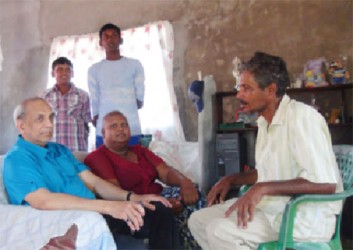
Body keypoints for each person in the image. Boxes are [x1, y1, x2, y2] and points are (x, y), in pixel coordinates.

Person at [187, 52, 343, 250]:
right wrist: (232, 179)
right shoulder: (264, 123)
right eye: (239, 87)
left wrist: (262, 188)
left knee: (220, 232)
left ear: (271, 90)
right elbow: (268, 172)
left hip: (303, 217)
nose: (238, 95)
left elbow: (326, 184)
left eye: (247, 88)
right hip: (272, 208)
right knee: (198, 220)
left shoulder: (302, 118)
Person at [3, 97, 179, 249]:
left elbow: (95, 183)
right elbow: (43, 200)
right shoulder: (17, 159)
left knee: (158, 210)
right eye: (40, 119)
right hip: (71, 220)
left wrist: (134, 198)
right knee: (123, 232)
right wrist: (109, 207)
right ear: (22, 126)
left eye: (51, 117)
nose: (49, 124)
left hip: (96, 211)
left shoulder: (60, 150)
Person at [84, 110, 207, 249]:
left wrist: (185, 182)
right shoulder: (98, 157)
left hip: (159, 196)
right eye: (113, 126)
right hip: (132, 204)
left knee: (195, 194)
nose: (120, 129)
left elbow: (166, 172)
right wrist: (158, 200)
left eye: (124, 125)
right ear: (103, 133)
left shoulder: (140, 151)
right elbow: (115, 192)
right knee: (165, 210)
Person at [88, 23, 145, 149]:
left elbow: (140, 99)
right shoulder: (94, 69)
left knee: (134, 165)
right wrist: (97, 116)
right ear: (101, 42)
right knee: (104, 167)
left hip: (131, 128)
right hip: (104, 131)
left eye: (114, 35)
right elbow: (94, 99)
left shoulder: (134, 65)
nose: (110, 39)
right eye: (106, 37)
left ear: (120, 40)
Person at [41, 56, 91, 151]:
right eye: (59, 70)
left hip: (76, 149)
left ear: (72, 73)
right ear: (53, 73)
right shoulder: (44, 96)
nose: (64, 73)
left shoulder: (83, 95)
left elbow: (86, 123)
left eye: (68, 70)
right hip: (52, 150)